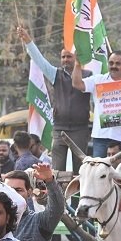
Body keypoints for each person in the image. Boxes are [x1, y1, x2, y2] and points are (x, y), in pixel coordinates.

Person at [16, 26, 92, 174]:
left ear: (76, 58)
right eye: (63, 57)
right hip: (59, 129)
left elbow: (106, 84)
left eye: (69, 56)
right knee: (57, 171)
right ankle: (56, 197)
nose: (65, 60)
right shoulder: (56, 74)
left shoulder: (89, 75)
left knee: (80, 172)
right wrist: (27, 40)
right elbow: (39, 60)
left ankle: (78, 198)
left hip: (80, 129)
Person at [72, 50, 121, 159]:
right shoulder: (98, 80)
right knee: (99, 173)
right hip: (101, 138)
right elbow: (77, 83)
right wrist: (77, 63)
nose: (114, 66)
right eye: (111, 63)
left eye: (118, 63)